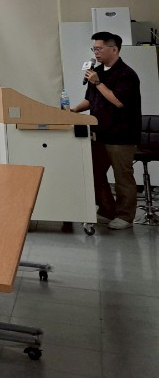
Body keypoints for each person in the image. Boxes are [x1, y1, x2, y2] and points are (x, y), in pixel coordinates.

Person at [72, 31, 142, 230]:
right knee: (94, 173)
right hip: (99, 133)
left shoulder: (126, 74)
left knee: (122, 177)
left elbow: (118, 101)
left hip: (121, 135)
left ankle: (125, 216)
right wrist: (73, 111)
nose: (96, 52)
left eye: (99, 48)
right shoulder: (97, 72)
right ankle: (106, 210)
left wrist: (97, 82)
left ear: (114, 49)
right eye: (94, 49)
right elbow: (90, 99)